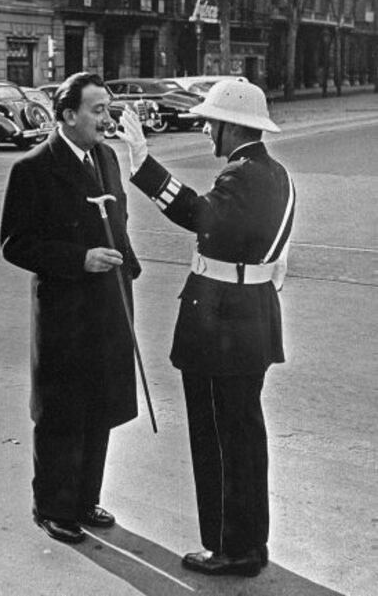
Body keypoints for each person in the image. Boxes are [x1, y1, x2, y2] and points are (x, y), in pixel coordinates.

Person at [118, 79, 295, 577]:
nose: (203, 129)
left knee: (219, 438)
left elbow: (201, 216)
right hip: (250, 319)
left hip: (223, 328)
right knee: (242, 434)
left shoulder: (242, 175)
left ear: (232, 126)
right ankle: (248, 543)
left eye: (209, 122)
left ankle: (229, 548)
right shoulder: (274, 172)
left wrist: (143, 166)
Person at [0, 72, 141, 544]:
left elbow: (117, 221)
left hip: (108, 306)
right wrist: (79, 259)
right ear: (67, 116)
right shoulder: (33, 168)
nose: (107, 118)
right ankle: (53, 507)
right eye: (97, 110)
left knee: (99, 405)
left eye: (107, 108)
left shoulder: (107, 158)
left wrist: (129, 269)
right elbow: (16, 244)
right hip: (64, 311)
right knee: (62, 411)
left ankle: (84, 499)